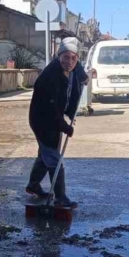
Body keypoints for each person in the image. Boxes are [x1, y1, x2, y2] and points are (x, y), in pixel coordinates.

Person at [26, 38, 84, 209]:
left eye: (74, 58)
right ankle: (60, 198)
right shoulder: (49, 77)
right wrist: (65, 127)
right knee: (53, 159)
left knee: (45, 156)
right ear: (58, 57)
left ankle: (33, 185)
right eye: (66, 57)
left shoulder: (70, 70)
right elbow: (50, 109)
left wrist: (83, 75)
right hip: (43, 121)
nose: (70, 62)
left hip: (53, 120)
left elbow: (74, 81)